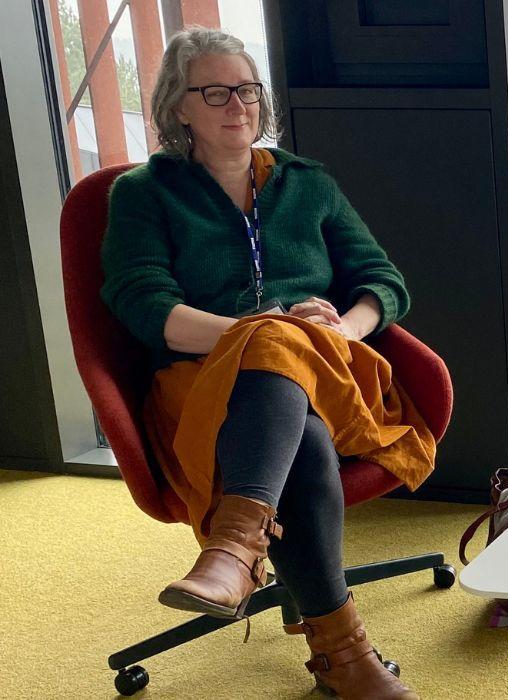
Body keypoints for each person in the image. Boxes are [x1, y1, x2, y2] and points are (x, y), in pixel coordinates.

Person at [100, 26, 436, 700]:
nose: (239, 105)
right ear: (179, 107)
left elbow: (385, 281)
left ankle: (234, 549)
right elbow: (144, 307)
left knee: (282, 345)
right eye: (216, 92)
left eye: (248, 90)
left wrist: (341, 328)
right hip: (199, 391)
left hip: (334, 375)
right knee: (294, 413)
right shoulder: (145, 194)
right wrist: (257, 333)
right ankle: (344, 656)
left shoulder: (307, 185)